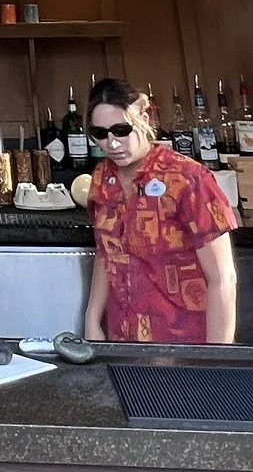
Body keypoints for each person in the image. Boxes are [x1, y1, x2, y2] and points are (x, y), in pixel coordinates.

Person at [82, 75, 238, 344]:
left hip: (186, 343)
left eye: (121, 130)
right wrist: (92, 320)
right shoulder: (101, 178)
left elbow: (222, 277)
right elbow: (106, 253)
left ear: (143, 117)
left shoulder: (187, 178)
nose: (112, 143)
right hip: (123, 341)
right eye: (100, 134)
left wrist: (218, 358)